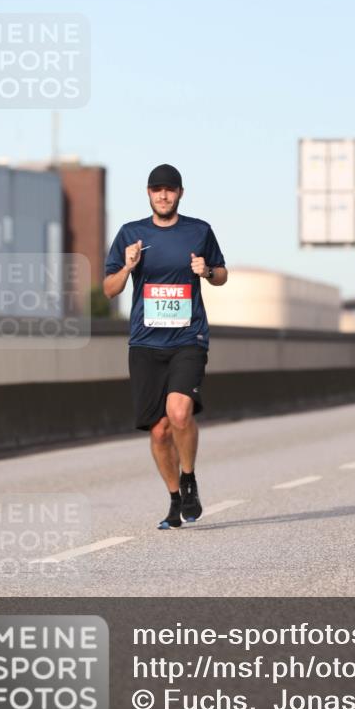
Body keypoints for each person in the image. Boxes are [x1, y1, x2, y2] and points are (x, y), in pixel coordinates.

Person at [103, 164, 227, 529]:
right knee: (158, 431)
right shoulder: (131, 233)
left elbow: (221, 275)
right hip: (145, 343)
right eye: (157, 189)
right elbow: (110, 289)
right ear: (148, 193)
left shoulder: (199, 231)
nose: (163, 195)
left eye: (169, 189)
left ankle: (189, 478)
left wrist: (205, 270)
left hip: (188, 339)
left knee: (178, 414)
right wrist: (127, 268)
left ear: (180, 193)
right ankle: (175, 498)